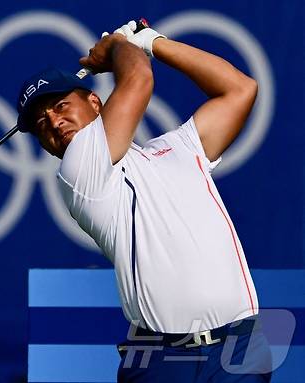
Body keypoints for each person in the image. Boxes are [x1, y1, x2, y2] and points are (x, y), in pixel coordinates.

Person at [16, 20, 271, 382]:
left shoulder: (178, 148)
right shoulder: (77, 172)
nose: (54, 123)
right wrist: (120, 46)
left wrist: (152, 42)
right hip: (161, 359)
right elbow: (139, 79)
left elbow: (240, 89)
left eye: (59, 106)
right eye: (41, 123)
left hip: (238, 348)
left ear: (94, 100)